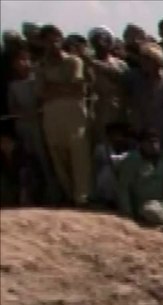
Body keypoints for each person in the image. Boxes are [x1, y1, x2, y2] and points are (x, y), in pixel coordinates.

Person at [36, 25, 93, 206]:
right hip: (51, 115)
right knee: (58, 155)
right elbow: (41, 92)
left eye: (56, 40)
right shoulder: (41, 66)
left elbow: (78, 88)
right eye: (48, 41)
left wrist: (53, 87)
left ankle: (82, 197)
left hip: (74, 114)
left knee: (79, 155)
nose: (53, 44)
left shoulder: (74, 61)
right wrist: (62, 88)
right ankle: (69, 195)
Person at [7, 46, 59, 205]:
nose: (24, 63)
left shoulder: (37, 80)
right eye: (20, 60)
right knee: (28, 160)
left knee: (46, 159)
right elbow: (12, 107)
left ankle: (55, 193)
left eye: (27, 59)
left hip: (40, 124)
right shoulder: (13, 85)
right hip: (23, 126)